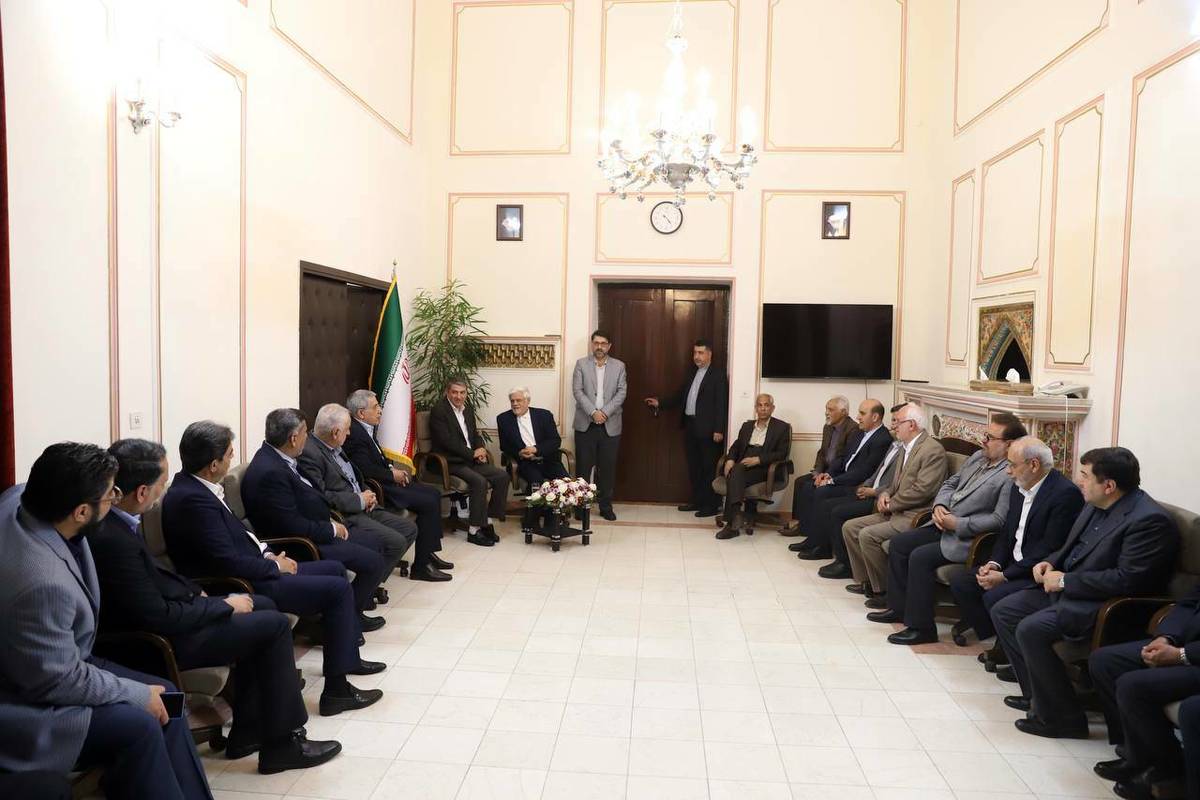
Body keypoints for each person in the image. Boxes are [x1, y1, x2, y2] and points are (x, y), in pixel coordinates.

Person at [92, 438, 340, 773]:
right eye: (162, 483)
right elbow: (157, 615)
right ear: (142, 492)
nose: (163, 491)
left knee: (262, 607)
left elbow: (157, 578)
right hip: (158, 643)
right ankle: (283, 744)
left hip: (173, 618)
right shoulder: (112, 540)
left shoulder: (121, 524)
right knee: (273, 626)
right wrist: (223, 606)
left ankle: (249, 730)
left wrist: (197, 593)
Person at [0, 443, 213, 799]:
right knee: (140, 723)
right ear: (81, 511)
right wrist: (136, 694)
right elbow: (57, 680)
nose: (116, 499)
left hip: (60, 663)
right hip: (28, 706)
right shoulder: (42, 582)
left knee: (168, 698)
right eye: (110, 494)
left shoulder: (24, 497)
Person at [161, 421, 384, 717]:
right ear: (213, 464)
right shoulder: (192, 499)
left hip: (257, 566)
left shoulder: (201, 488)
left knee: (334, 570)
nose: (233, 458)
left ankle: (346, 660)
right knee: (337, 587)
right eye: (229, 454)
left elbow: (241, 538)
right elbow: (224, 561)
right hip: (243, 582)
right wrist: (274, 566)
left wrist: (268, 554)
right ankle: (336, 691)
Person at [990, 447, 1179, 738]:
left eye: (1085, 475)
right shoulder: (1094, 503)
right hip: (1070, 589)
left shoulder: (1148, 521)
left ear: (1109, 485)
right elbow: (1070, 547)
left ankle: (1064, 719)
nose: (1079, 481)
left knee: (1031, 629)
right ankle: (1039, 699)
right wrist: (1049, 563)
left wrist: (1065, 581)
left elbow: (1127, 580)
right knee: (1004, 610)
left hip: (1104, 605)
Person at [869, 414, 1024, 644]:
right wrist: (940, 506)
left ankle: (922, 628)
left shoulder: (1009, 475)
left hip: (968, 538)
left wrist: (958, 524)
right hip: (941, 523)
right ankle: (898, 608)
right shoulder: (978, 457)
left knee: (920, 557)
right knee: (900, 544)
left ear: (1009, 444)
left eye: (990, 438)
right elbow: (950, 483)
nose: (983, 441)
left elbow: (999, 520)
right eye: (985, 435)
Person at [244, 408, 396, 620]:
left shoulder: (283, 458)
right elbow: (290, 525)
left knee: (375, 542)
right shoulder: (270, 471)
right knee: (373, 562)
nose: (308, 437)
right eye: (305, 432)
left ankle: (353, 609)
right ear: (293, 438)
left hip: (318, 526)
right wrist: (331, 529)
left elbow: (313, 494)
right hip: (302, 542)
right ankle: (349, 617)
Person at [947, 436, 1082, 646]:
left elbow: (1050, 548)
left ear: (1034, 465)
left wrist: (1004, 576)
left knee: (994, 596)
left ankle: (1004, 646)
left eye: (1012, 465)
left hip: (1035, 571)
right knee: (961, 582)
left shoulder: (1065, 494)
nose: (1008, 471)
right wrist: (994, 564)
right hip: (1011, 563)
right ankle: (995, 636)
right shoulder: (1018, 486)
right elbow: (1007, 533)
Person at [1089, 584, 1200, 800]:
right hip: (1184, 642)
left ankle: (1168, 770)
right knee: (1105, 662)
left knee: (1132, 686)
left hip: (1194, 656)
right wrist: (1166, 637)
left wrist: (1182, 654)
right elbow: (1188, 604)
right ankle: (1137, 756)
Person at [299, 405, 434, 582]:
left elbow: (352, 475)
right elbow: (321, 496)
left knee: (409, 529)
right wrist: (359, 499)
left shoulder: (334, 445)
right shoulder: (310, 454)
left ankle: (371, 581)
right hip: (346, 513)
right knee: (396, 542)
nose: (349, 433)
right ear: (335, 432)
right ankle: (364, 586)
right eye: (347, 429)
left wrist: (366, 492)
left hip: (365, 504)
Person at [841, 402, 948, 601]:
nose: (894, 426)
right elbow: (895, 483)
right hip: (895, 511)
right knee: (850, 528)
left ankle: (886, 591)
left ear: (912, 425)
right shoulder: (905, 446)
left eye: (898, 422)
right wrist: (885, 494)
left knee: (867, 535)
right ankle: (867, 582)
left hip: (914, 516)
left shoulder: (932, 450)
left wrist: (891, 503)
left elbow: (923, 491)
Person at [342, 389, 451, 579]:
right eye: (375, 407)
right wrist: (392, 475)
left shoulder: (365, 427)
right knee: (428, 502)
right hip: (380, 487)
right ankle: (421, 567)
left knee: (433, 493)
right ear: (361, 413)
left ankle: (428, 553)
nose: (380, 410)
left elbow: (378, 458)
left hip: (387, 481)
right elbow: (365, 469)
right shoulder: (355, 434)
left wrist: (391, 468)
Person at [791, 399, 892, 558]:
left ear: (875, 417)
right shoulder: (860, 432)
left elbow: (864, 471)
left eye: (862, 413)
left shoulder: (882, 439)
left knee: (822, 493)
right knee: (811, 487)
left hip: (856, 485)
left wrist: (833, 481)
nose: (858, 417)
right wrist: (829, 474)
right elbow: (842, 457)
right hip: (843, 477)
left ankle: (822, 547)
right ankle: (812, 540)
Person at [644, 339, 729, 518]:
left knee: (708, 468)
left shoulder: (718, 375)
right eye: (695, 353)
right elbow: (679, 396)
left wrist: (719, 429)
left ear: (709, 354)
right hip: (690, 426)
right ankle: (697, 501)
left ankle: (711, 505)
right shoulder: (692, 373)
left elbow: (721, 404)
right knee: (694, 466)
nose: (696, 356)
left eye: (700, 353)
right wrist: (661, 403)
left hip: (709, 430)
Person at [428, 377, 510, 545]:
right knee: (479, 481)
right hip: (449, 462)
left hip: (468, 459)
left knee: (502, 477)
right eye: (454, 392)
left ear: (466, 393)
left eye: (462, 392)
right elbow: (446, 442)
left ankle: (487, 520)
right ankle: (474, 531)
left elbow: (475, 434)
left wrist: (480, 449)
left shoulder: (467, 409)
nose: (458, 396)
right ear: (447, 392)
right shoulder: (439, 411)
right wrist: (472, 454)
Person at [781, 396, 860, 537]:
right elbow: (822, 452)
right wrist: (817, 471)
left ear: (843, 412)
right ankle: (799, 523)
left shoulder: (853, 429)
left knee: (808, 486)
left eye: (831, 409)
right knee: (800, 482)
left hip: (839, 473)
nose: (826, 413)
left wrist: (826, 475)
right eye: (826, 409)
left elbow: (843, 458)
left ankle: (807, 528)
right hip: (825, 470)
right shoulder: (828, 426)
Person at [714, 393, 791, 539]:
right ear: (756, 408)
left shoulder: (782, 427)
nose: (763, 408)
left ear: (772, 408)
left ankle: (731, 524)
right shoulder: (747, 426)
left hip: (765, 467)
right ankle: (736, 515)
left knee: (734, 473)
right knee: (736, 469)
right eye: (760, 405)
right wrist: (730, 459)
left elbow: (782, 453)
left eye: (766, 405)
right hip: (744, 464)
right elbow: (736, 446)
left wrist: (758, 459)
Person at [571, 330, 627, 521]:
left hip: (610, 426)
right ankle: (581, 507)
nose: (599, 347)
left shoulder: (619, 366)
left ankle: (605, 507)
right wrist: (593, 412)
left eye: (603, 343)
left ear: (609, 346)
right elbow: (577, 391)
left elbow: (621, 392)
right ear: (592, 344)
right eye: (596, 343)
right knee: (583, 469)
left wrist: (604, 413)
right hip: (585, 425)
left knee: (607, 470)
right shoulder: (581, 364)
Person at [497, 386, 568, 486]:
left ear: (527, 401)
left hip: (548, 460)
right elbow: (504, 446)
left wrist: (536, 449)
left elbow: (555, 441)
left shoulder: (544, 415)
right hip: (525, 463)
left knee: (567, 485)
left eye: (518, 400)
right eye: (512, 401)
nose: (515, 404)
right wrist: (519, 453)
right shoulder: (503, 419)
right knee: (537, 485)